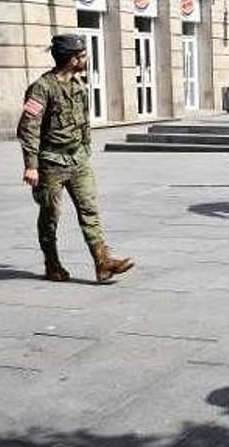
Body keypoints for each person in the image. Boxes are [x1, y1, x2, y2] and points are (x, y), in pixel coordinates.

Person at [17, 34, 134, 284]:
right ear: (72, 59)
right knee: (50, 216)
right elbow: (28, 128)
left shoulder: (77, 85)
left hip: (78, 160)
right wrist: (31, 166)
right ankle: (52, 263)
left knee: (89, 210)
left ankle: (103, 263)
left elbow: (83, 123)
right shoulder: (42, 88)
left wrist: (85, 149)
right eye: (82, 56)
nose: (85, 59)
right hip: (51, 163)